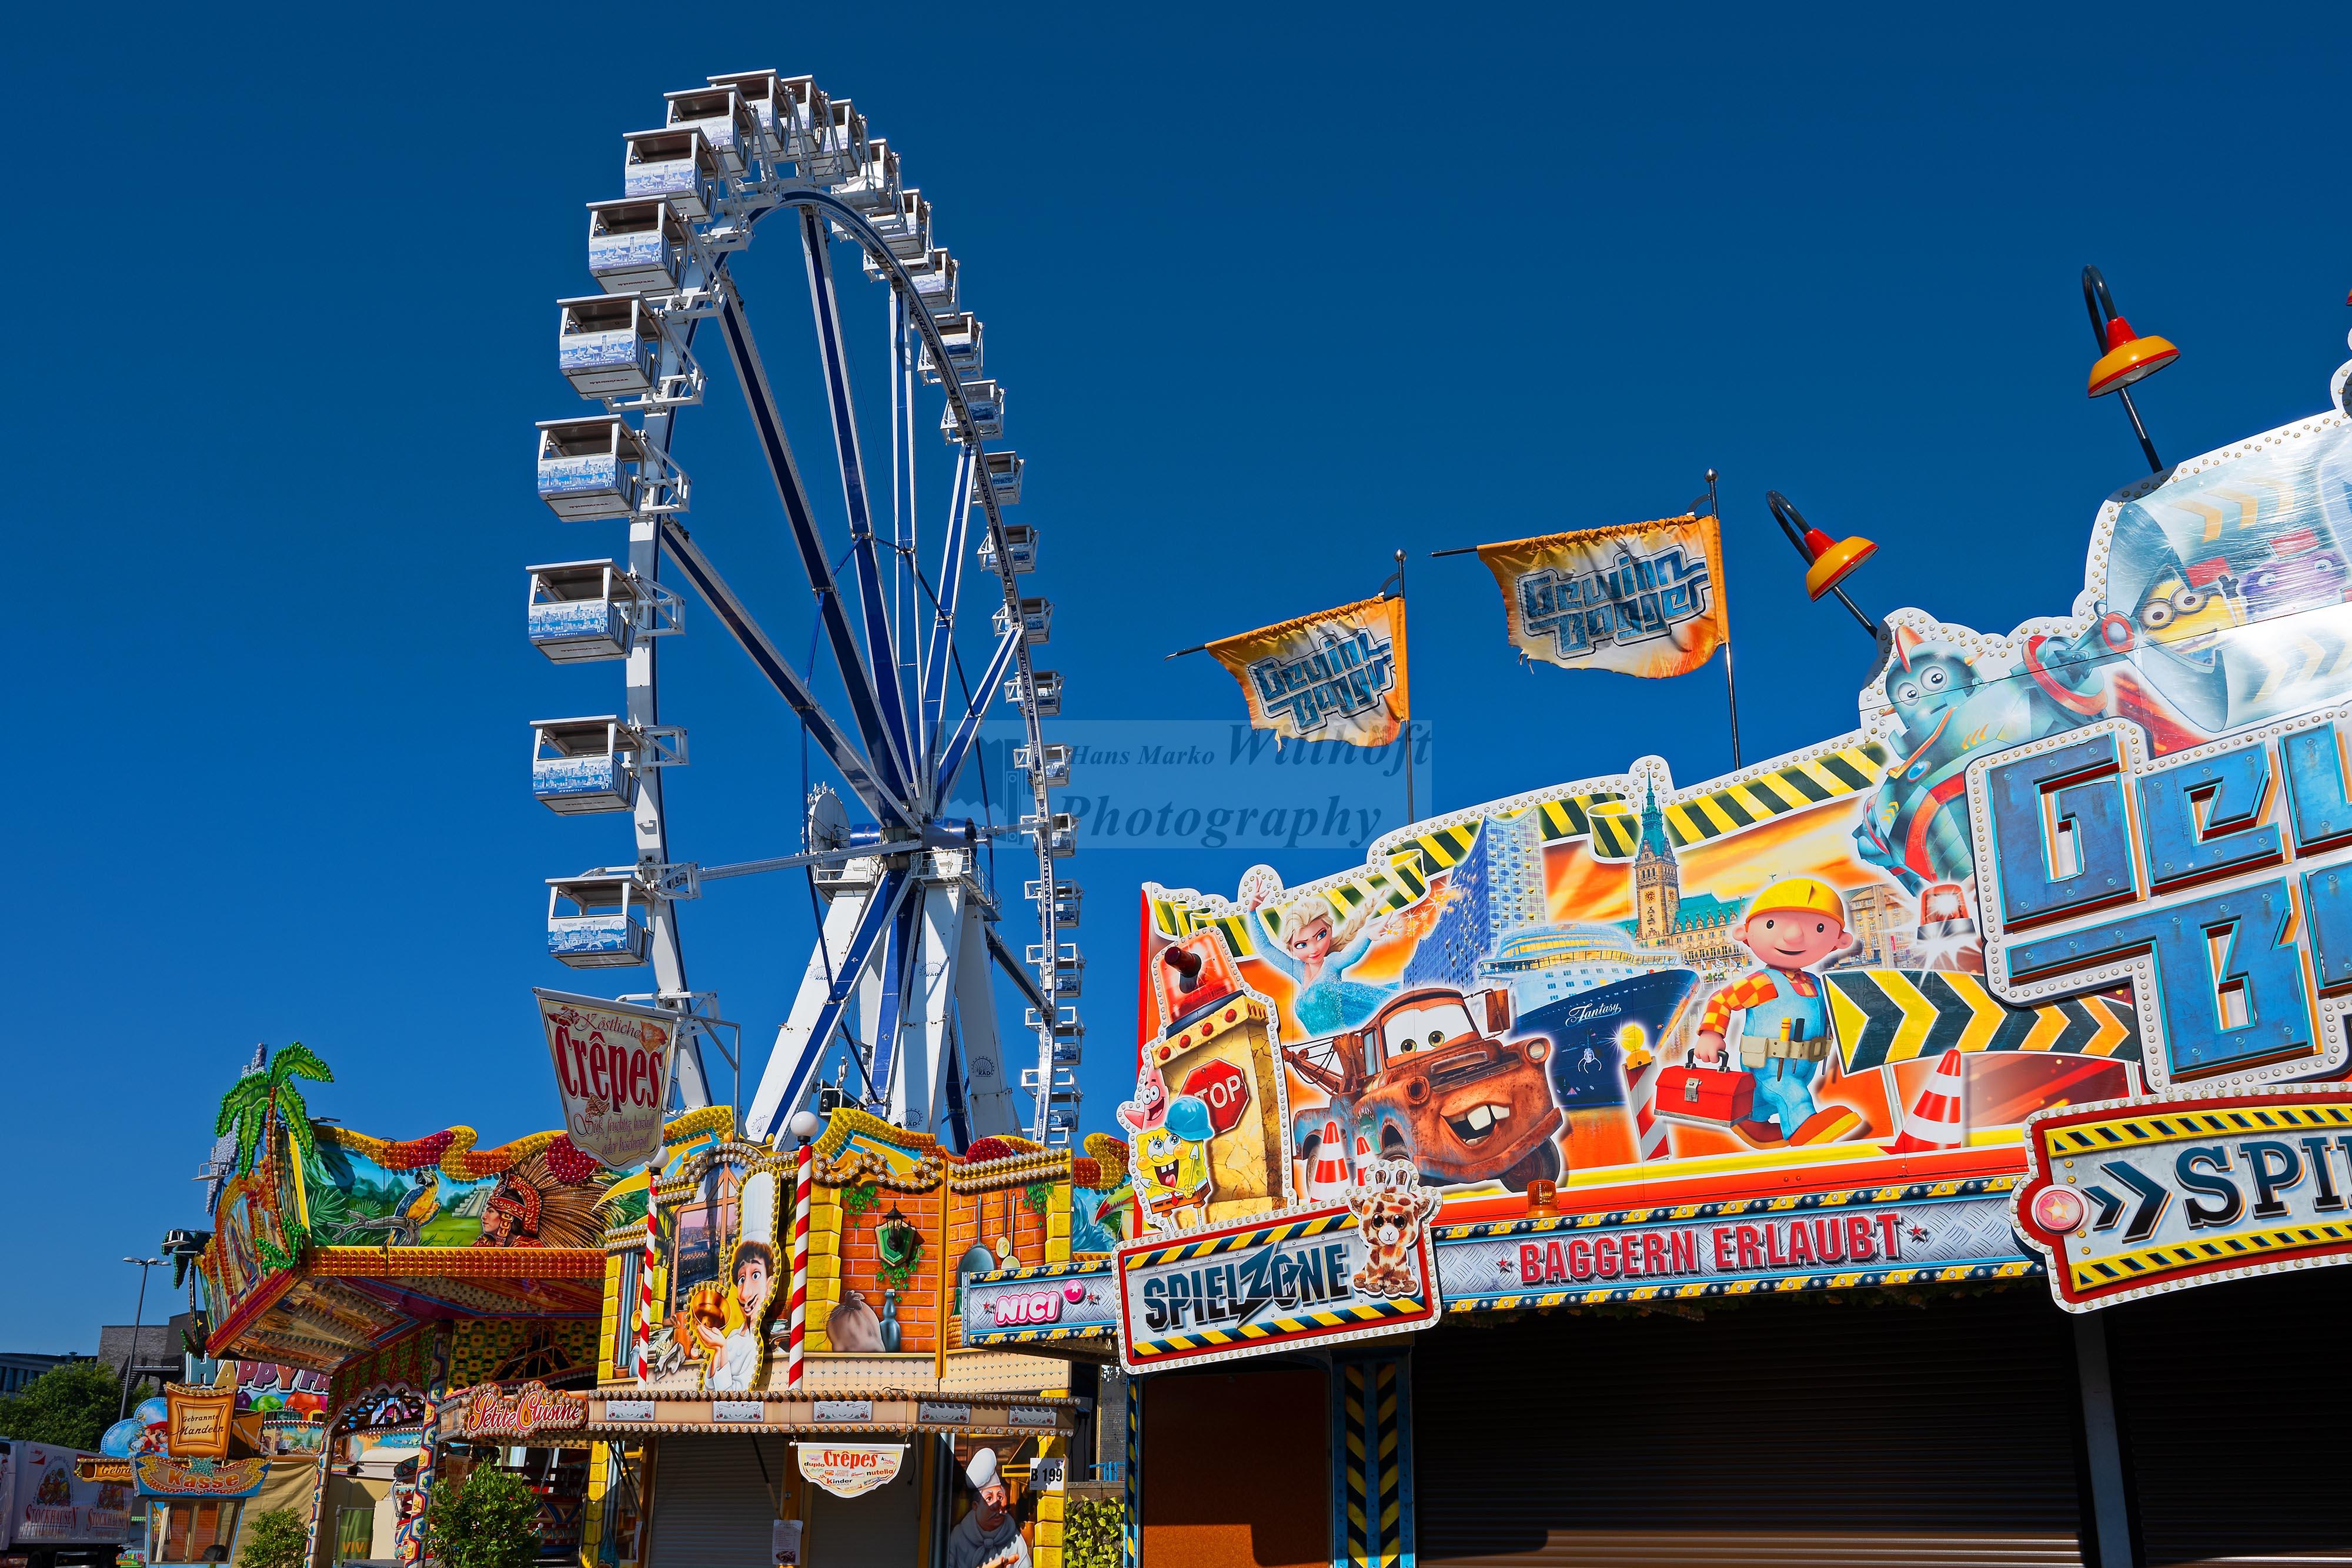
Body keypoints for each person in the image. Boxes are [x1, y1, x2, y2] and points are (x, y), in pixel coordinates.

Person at [1692, 878, 1870, 1148]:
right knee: (1791, 1094)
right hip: (1769, 1065)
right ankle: (1802, 1129)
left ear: (1839, 941)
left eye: (1819, 928)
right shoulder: (1763, 982)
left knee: (1766, 1099)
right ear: (1746, 933)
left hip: (1805, 1064)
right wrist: (1710, 1034)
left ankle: (1751, 1120)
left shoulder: (1816, 984)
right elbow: (1722, 1000)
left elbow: (1834, 1015)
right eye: (1772, 925)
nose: (1793, 936)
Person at [1253, 894, 1395, 1037]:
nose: (1314, 949)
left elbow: (1350, 957)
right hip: (1324, 1046)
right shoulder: (1299, 970)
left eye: (1320, 936)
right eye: (1302, 945)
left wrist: (1368, 937)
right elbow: (1265, 948)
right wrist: (1252, 912)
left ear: (1330, 931)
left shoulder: (1331, 963)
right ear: (1291, 949)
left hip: (1347, 1039)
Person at [944, 1448, 1030, 1568]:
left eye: (1000, 1497)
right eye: (989, 1498)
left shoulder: (1015, 1540)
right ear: (976, 1506)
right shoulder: (958, 1538)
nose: (997, 1505)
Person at [708, 1241, 774, 1392]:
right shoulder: (733, 1336)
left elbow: (732, 1398)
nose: (745, 1294)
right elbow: (708, 1389)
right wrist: (718, 1350)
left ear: (769, 1286)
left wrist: (722, 1348)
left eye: (756, 1275)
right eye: (742, 1279)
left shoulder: (757, 1342)